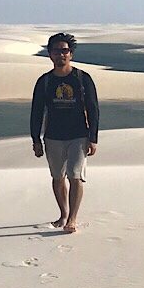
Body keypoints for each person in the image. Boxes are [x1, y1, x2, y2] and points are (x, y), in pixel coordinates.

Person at [30, 32, 99, 233]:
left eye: (65, 51)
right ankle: (63, 213)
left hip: (79, 135)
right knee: (57, 177)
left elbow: (93, 109)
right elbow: (36, 111)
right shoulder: (44, 82)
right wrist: (36, 139)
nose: (61, 55)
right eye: (57, 51)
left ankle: (73, 219)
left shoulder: (82, 78)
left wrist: (93, 138)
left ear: (71, 54)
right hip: (53, 136)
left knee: (75, 175)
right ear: (50, 54)